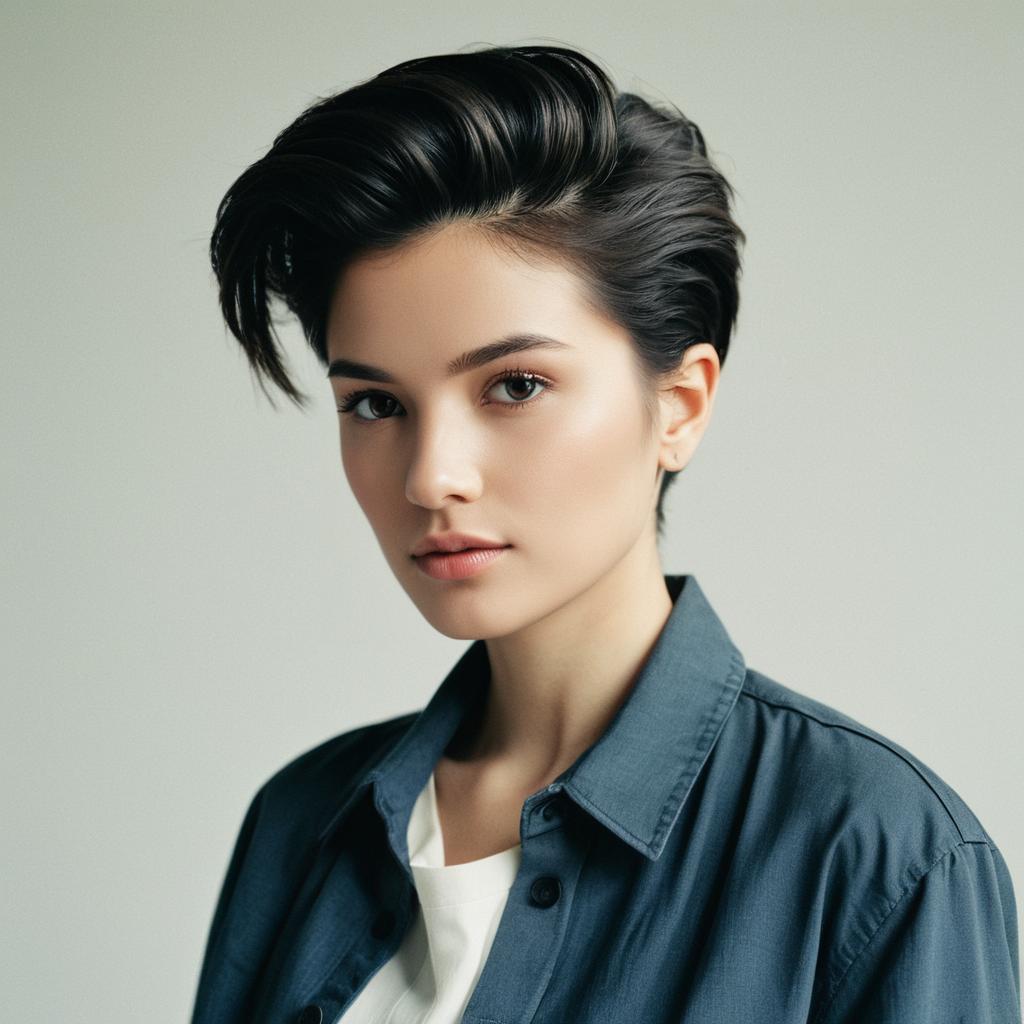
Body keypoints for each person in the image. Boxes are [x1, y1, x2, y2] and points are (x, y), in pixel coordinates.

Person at [190, 44, 1021, 1024]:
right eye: (375, 403)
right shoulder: (302, 823)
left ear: (679, 405)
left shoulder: (878, 854)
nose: (430, 476)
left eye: (515, 386)